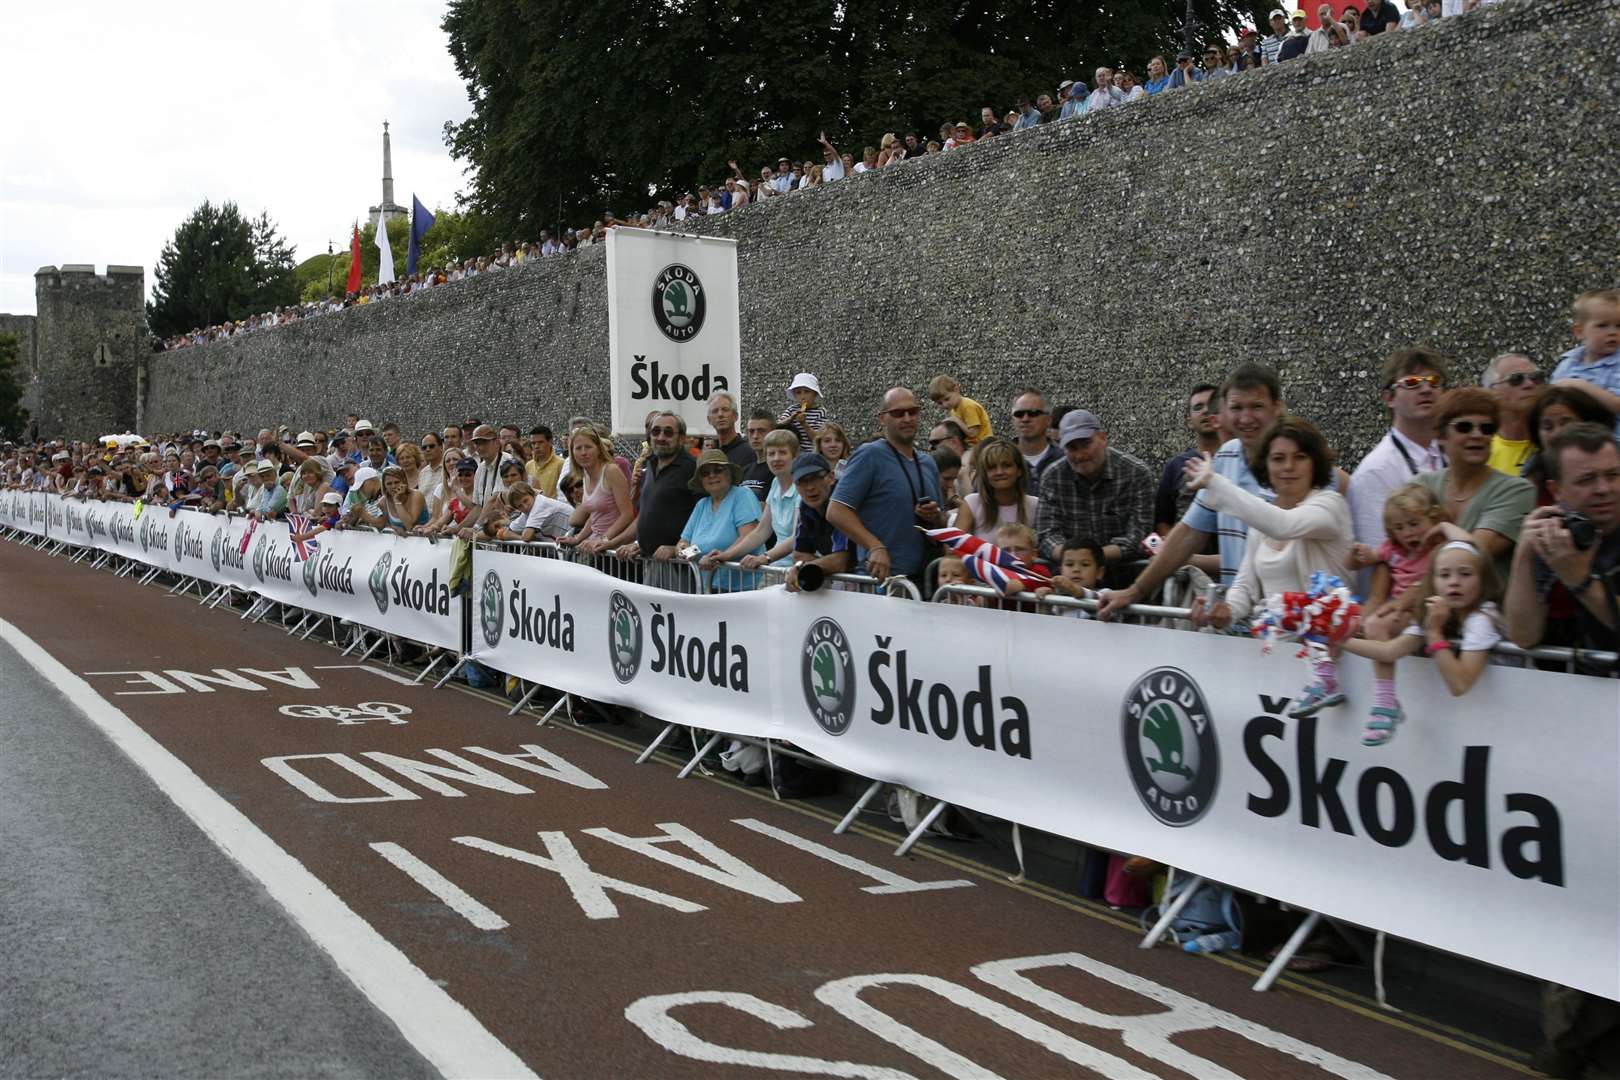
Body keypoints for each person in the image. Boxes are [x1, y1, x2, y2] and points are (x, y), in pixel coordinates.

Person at [1186, 417, 1355, 710]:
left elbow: (1284, 526)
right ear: (1265, 466)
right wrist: (1225, 611)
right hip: (1278, 667)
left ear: (1315, 463)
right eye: (1278, 458)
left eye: (1299, 457)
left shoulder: (1330, 504)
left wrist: (1216, 482)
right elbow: (1245, 586)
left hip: (1340, 667)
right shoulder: (1262, 518)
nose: (1288, 466)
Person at [1100, 364, 1287, 619]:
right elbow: (1189, 532)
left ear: (1277, 407)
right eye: (1236, 408)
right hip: (1237, 616)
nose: (1245, 418)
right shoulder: (1227, 456)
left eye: (1256, 407)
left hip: (1290, 626)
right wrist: (1135, 591)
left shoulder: (1295, 463)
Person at [1338, 539, 1506, 746]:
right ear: (1433, 581)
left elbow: (1459, 685)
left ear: (1483, 580)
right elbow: (1389, 651)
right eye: (1444, 575)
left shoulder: (1481, 618)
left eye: (1465, 574)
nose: (1454, 582)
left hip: (1501, 720)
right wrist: (1336, 637)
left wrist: (1434, 632)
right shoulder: (1435, 609)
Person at [1505, 423, 1620, 673]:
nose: (1604, 489)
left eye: (1613, 475)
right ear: (1556, 490)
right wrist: (1524, 551)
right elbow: (1524, 636)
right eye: (1587, 479)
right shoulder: (1556, 534)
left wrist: (1579, 580)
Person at [826, 386, 946, 585]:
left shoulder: (927, 462)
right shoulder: (869, 455)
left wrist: (936, 517)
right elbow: (836, 510)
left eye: (913, 411)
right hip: (882, 582)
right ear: (882, 418)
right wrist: (874, 546)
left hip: (924, 580)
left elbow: (942, 521)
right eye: (898, 413)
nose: (907, 418)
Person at [1413, 387, 1535, 575]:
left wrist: (1445, 527)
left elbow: (1472, 556)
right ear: (1441, 436)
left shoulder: (1516, 491)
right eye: (1464, 427)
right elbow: (1395, 551)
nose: (1477, 435)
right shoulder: (1422, 485)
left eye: (1486, 429)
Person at [1349, 349, 1450, 557]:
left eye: (1433, 381)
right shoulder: (1375, 472)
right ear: (1389, 398)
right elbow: (1382, 558)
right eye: (1412, 382)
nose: (1426, 389)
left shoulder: (1453, 452)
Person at [1034, 410, 1154, 570]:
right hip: (1071, 578)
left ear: (1103, 438)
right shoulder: (1052, 476)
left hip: (1125, 575)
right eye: (1072, 448)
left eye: (1085, 444)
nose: (1080, 455)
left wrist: (1087, 559)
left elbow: (1140, 535)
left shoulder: (1136, 473)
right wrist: (1080, 563)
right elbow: (1047, 535)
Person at [657, 449, 763, 592]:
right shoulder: (702, 505)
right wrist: (684, 553)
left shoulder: (742, 495)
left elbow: (748, 536)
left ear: (729, 474)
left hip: (741, 588)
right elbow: (684, 543)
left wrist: (720, 558)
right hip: (706, 586)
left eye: (718, 470)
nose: (712, 475)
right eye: (705, 473)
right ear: (701, 480)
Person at [1359, 483, 1447, 636]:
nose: (1407, 532)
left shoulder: (1439, 550)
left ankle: (1383, 658)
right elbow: (1366, 559)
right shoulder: (1394, 550)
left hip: (1424, 610)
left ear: (1434, 519)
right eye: (1399, 528)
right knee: (1361, 623)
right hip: (1397, 607)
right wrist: (1361, 553)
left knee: (1375, 626)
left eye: (1414, 524)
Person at [720, 429, 801, 569]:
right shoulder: (776, 483)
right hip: (777, 567)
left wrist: (764, 558)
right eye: (771, 453)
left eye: (782, 452)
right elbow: (761, 531)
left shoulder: (801, 487)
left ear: (794, 456)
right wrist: (726, 555)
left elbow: (796, 536)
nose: (776, 458)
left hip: (798, 569)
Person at [1155, 383, 1223, 538]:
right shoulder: (1176, 466)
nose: (1206, 410)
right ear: (1189, 421)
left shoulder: (1240, 460)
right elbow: (1162, 520)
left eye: (1212, 405)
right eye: (1198, 407)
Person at [1549, 289, 1620, 428]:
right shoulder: (1568, 363)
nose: (1613, 332)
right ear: (1579, 331)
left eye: (1619, 326)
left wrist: (1579, 385)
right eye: (1602, 326)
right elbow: (1551, 396)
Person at [785, 452, 854, 592]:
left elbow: (843, 560)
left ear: (831, 477)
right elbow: (799, 554)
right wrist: (802, 566)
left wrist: (804, 568)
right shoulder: (806, 507)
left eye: (815, 478)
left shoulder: (843, 502)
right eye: (802, 481)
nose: (810, 487)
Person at [559, 426, 633, 554]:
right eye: (578, 448)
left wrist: (604, 539)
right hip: (597, 547)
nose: (583, 452)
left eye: (588, 447)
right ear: (572, 452)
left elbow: (627, 514)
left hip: (616, 550)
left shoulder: (611, 471)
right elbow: (595, 515)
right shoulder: (586, 475)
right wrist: (577, 538)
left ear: (598, 449)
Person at [955, 436, 1038, 541]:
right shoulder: (972, 503)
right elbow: (953, 548)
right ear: (985, 474)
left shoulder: (1034, 505)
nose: (999, 472)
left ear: (1019, 470)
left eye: (1006, 465)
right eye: (992, 467)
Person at [1483, 353, 1545, 476]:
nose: (1529, 384)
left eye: (1535, 377)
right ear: (1493, 392)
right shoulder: (1481, 449)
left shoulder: (1554, 441)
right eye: (1517, 379)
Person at [1033, 536, 1107, 617]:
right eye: (1069, 564)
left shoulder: (1106, 594)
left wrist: (1073, 589)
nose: (1076, 569)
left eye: (1085, 564)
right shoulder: (1057, 600)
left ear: (1099, 572)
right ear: (1061, 571)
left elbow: (1101, 604)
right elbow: (1046, 625)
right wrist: (1046, 603)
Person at [1009, 390, 1063, 483]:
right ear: (1012, 420)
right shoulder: (998, 461)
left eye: (1033, 413)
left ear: (1049, 420)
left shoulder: (1066, 460)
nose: (1025, 419)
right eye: (1019, 414)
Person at [927, 374, 992, 446]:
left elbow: (973, 433)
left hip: (983, 445)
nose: (945, 404)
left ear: (956, 389)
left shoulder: (968, 406)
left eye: (947, 399)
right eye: (940, 403)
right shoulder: (954, 410)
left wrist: (956, 420)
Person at [777, 373, 829, 453]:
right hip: (792, 454)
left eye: (807, 392)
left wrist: (804, 424)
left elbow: (818, 438)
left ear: (815, 394)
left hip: (811, 454)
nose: (803, 396)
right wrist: (790, 418)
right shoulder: (792, 409)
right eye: (798, 393)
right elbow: (777, 426)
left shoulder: (820, 412)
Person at [707, 391, 754, 470]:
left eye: (725, 409)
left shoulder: (750, 452)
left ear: (735, 416)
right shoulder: (710, 456)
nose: (720, 414)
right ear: (709, 420)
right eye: (715, 411)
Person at [526, 426, 561, 497]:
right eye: (533, 443)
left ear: (550, 442)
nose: (536, 446)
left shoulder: (561, 464)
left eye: (540, 442)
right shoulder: (528, 466)